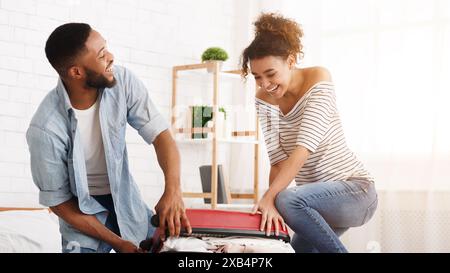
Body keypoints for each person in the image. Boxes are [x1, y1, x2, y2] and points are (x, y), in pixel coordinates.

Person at [26, 23, 191, 253]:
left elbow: (161, 136)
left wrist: (173, 190)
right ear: (77, 72)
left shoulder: (122, 82)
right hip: (81, 213)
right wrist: (118, 243)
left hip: (126, 201)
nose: (111, 57)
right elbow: (59, 203)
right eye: (102, 55)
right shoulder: (45, 128)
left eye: (107, 48)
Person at [241, 13, 378, 253]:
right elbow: (278, 162)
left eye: (271, 74)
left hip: (356, 192)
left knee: (286, 199)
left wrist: (271, 199)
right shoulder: (263, 100)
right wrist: (271, 208)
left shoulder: (318, 79)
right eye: (257, 77)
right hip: (314, 202)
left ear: (291, 61)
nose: (264, 84)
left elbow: (303, 149)